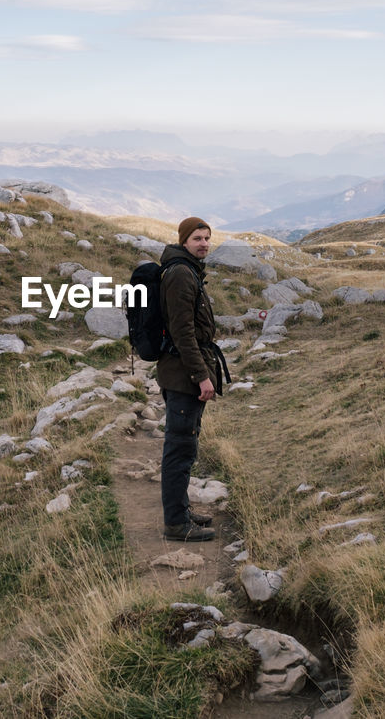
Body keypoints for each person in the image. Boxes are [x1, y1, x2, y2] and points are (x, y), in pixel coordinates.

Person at [156, 216, 227, 542]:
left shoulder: (186, 270)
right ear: (184, 240)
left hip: (182, 373)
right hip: (183, 376)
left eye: (207, 238)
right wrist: (202, 377)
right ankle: (175, 524)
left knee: (184, 447)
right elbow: (183, 333)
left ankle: (180, 513)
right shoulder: (182, 274)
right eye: (197, 238)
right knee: (179, 450)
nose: (204, 244)